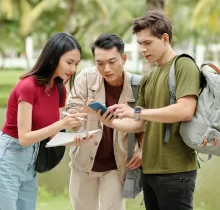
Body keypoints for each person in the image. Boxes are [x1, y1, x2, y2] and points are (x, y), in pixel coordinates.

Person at [98, 11, 201, 210]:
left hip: (176, 171)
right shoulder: (149, 77)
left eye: (148, 43)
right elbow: (138, 124)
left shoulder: (184, 65)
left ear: (165, 38)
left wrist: (138, 112)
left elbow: (185, 110)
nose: (143, 49)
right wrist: (109, 120)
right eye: (140, 44)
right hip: (149, 171)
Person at [0, 32, 92, 210]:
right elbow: (24, 137)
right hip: (9, 156)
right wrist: (63, 124)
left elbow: (52, 137)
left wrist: (77, 139)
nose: (73, 69)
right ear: (53, 58)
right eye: (69, 62)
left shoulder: (59, 90)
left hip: (32, 159)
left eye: (76, 63)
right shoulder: (28, 87)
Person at [66, 33, 143, 210]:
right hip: (83, 162)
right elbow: (69, 116)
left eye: (112, 61)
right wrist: (84, 111)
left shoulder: (137, 86)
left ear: (124, 59)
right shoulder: (85, 78)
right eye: (100, 63)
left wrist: (143, 150)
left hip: (118, 165)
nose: (106, 68)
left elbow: (146, 125)